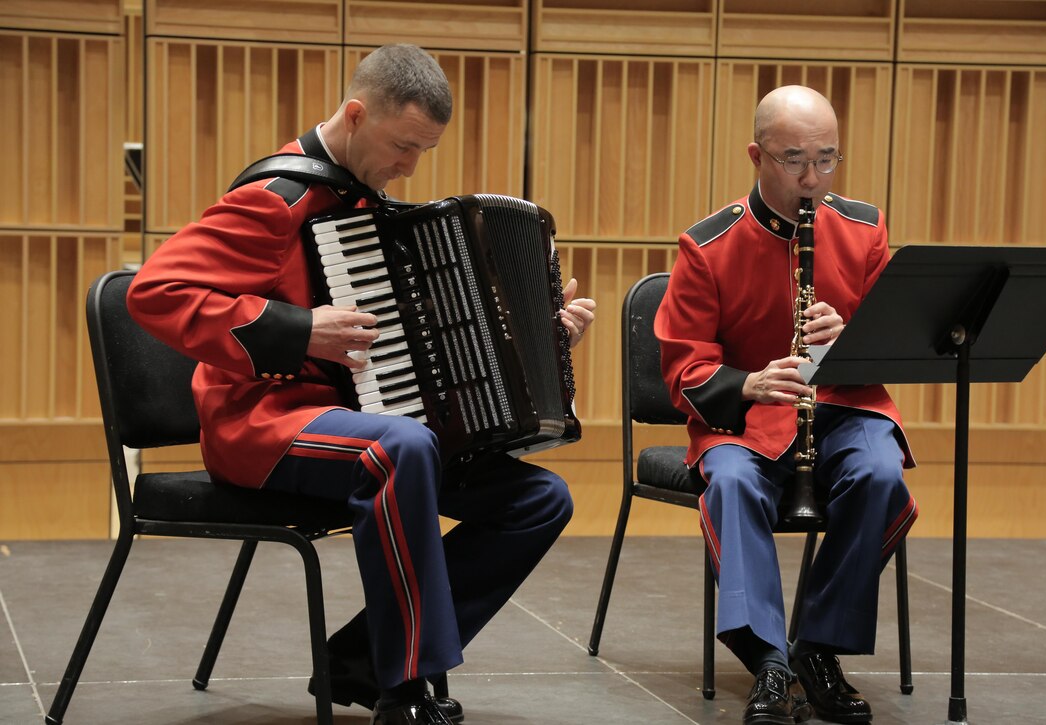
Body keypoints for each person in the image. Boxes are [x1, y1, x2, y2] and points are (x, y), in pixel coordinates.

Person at [127, 44, 596, 725]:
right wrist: (297, 329)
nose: (409, 167)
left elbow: (429, 332)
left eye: (422, 152)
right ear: (355, 113)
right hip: (262, 425)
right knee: (399, 448)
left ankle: (359, 661)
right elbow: (155, 291)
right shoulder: (274, 198)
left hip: (352, 421)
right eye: (403, 146)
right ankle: (403, 688)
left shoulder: (364, 201)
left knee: (539, 499)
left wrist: (538, 337)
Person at [654, 85, 918, 725]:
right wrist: (745, 382)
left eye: (827, 159)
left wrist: (847, 335)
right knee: (734, 483)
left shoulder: (863, 228)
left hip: (845, 408)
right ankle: (769, 661)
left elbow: (898, 341)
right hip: (743, 422)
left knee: (880, 474)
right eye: (794, 159)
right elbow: (682, 367)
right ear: (757, 155)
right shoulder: (708, 246)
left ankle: (819, 649)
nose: (812, 178)